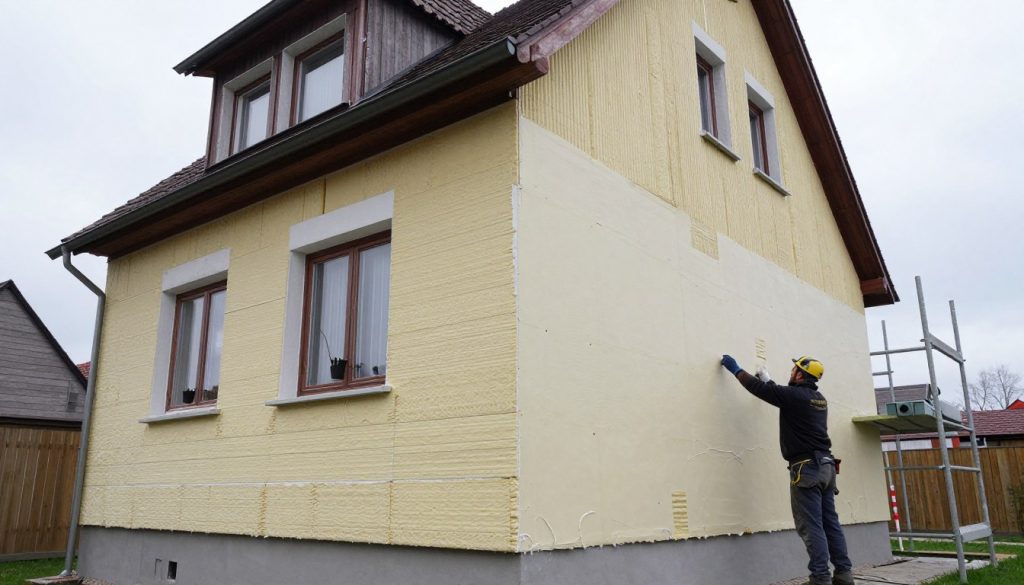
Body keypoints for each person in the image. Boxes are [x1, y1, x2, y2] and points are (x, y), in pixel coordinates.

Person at [720, 354, 855, 585]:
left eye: (794, 369)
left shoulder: (794, 396)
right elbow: (783, 396)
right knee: (830, 523)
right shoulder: (818, 398)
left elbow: (758, 389)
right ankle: (844, 575)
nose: (791, 372)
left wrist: (736, 369)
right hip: (826, 467)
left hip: (806, 469)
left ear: (800, 374)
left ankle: (820, 578)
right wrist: (770, 381)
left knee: (811, 526)